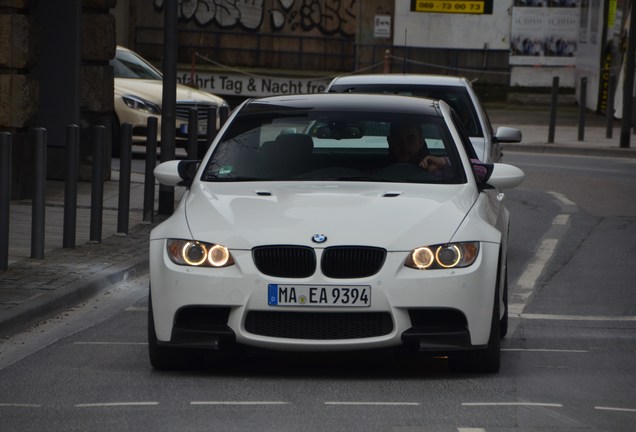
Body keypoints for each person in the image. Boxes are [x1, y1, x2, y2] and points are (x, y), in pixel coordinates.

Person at [386, 122, 490, 182]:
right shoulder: (371, 171)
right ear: (389, 141)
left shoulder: (437, 171)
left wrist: (444, 162)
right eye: (398, 139)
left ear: (421, 142)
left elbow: (482, 171)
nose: (404, 145)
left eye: (411, 139)